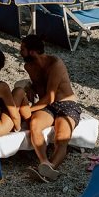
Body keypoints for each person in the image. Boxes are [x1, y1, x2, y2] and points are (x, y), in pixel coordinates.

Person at [21, 35, 79, 181]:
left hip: (66, 104)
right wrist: (29, 86)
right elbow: (39, 86)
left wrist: (30, 109)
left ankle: (51, 167)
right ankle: (44, 163)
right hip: (48, 107)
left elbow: (50, 96)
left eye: (22, 49)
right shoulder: (29, 66)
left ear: (32, 52)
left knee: (61, 137)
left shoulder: (55, 64)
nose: (20, 52)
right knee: (34, 124)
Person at [0, 45, 31, 136]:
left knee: (17, 92)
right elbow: (13, 114)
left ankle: (29, 120)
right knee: (19, 92)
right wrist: (17, 128)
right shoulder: (1, 86)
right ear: (2, 66)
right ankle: (30, 122)